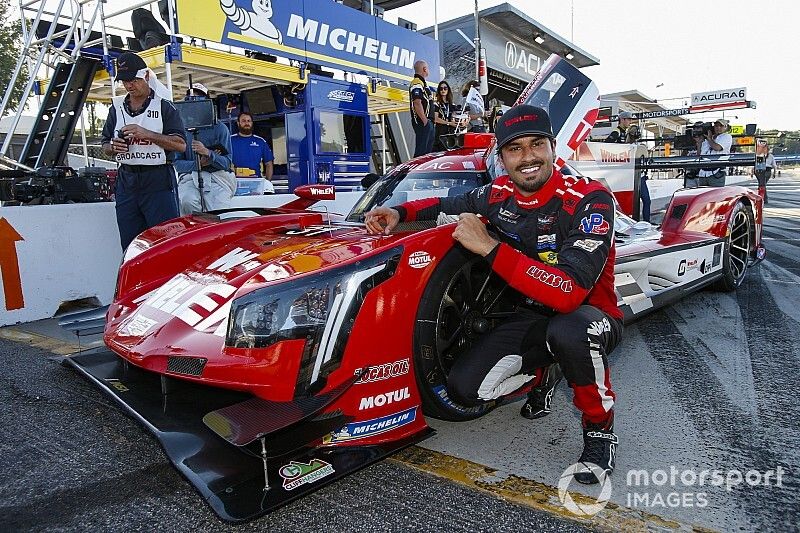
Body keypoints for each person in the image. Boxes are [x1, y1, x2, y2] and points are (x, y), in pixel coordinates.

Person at [364, 105, 623, 484]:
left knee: (570, 331)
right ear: (501, 158)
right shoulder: (498, 193)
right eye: (514, 148)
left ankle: (600, 431)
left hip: (589, 316)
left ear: (553, 148)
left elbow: (568, 295)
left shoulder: (590, 198)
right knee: (464, 390)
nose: (528, 156)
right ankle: (542, 375)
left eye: (537, 144)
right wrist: (398, 212)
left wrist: (489, 248)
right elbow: (443, 205)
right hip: (531, 317)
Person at [101, 51, 186, 250]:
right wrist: (113, 147)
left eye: (134, 80)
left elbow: (181, 144)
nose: (129, 85)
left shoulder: (165, 107)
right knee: (130, 245)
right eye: (124, 81)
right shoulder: (116, 107)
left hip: (158, 180)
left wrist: (147, 134)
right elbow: (104, 144)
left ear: (146, 76)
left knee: (165, 243)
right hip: (127, 181)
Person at [174, 83, 236, 215]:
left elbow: (227, 162)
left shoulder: (220, 128)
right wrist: (198, 164)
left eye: (199, 97)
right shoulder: (181, 130)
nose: (195, 101)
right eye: (191, 98)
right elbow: (178, 164)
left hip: (218, 178)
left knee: (221, 211)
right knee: (187, 201)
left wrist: (208, 153)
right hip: (190, 177)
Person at [230, 111, 275, 193]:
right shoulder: (229, 141)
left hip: (256, 185)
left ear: (252, 123)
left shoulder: (260, 142)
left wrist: (266, 183)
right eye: (243, 121)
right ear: (238, 123)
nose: (246, 123)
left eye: (248, 121)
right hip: (235, 184)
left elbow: (269, 163)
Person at [692, 118, 733, 187]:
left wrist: (709, 139)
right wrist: (699, 143)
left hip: (717, 172)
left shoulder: (727, 137)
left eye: (721, 126)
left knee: (715, 196)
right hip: (703, 172)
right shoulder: (708, 137)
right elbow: (699, 155)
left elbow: (717, 148)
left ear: (726, 127)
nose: (718, 128)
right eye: (716, 126)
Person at [408, 60, 435, 157]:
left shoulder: (423, 83)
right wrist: (425, 120)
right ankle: (416, 171)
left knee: (427, 153)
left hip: (428, 121)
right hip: (422, 122)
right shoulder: (417, 82)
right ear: (424, 69)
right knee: (421, 152)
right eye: (427, 68)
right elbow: (417, 102)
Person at [432, 80, 457, 151]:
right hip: (440, 134)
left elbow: (456, 118)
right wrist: (449, 123)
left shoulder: (452, 105)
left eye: (445, 88)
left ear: (448, 90)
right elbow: (436, 119)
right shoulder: (436, 104)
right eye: (441, 88)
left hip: (451, 134)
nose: (443, 90)